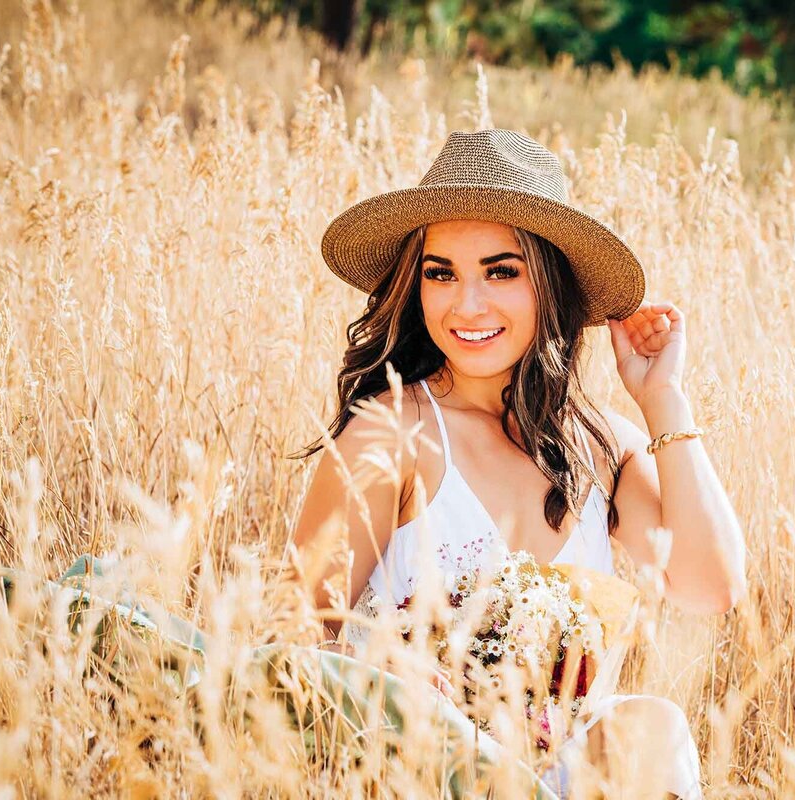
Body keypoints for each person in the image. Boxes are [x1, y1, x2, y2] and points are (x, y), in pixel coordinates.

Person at [290, 128, 747, 799]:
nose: (465, 305)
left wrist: (662, 400)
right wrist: (391, 672)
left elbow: (711, 586)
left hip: (565, 779)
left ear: (550, 283)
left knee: (650, 726)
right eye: (440, 272)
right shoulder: (393, 434)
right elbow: (291, 639)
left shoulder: (600, 447)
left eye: (500, 271)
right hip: (413, 769)